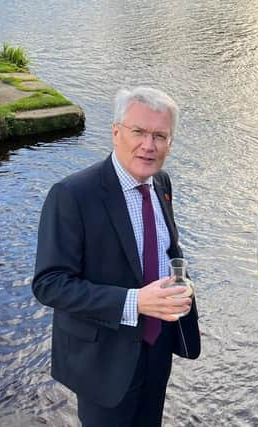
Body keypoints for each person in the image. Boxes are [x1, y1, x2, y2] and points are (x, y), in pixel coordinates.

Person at [32, 86, 200, 427]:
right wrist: (135, 301)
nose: (148, 145)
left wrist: (179, 282)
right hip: (103, 360)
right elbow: (49, 285)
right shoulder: (72, 195)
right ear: (115, 132)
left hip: (157, 346)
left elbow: (165, 249)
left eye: (160, 136)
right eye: (138, 131)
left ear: (170, 142)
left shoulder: (161, 183)